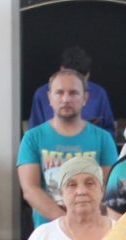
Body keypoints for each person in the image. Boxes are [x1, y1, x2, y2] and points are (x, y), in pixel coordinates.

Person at [15, 69, 118, 227]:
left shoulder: (103, 138)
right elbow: (30, 190)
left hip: (93, 230)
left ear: (85, 98)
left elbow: (108, 188)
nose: (66, 99)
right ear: (49, 98)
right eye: (59, 93)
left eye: (73, 93)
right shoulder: (32, 138)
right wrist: (65, 221)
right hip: (49, 231)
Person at [27, 44, 116, 131]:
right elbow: (34, 132)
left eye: (80, 81)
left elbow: (109, 130)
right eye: (59, 93)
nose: (66, 99)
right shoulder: (41, 95)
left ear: (88, 75)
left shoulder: (99, 94)